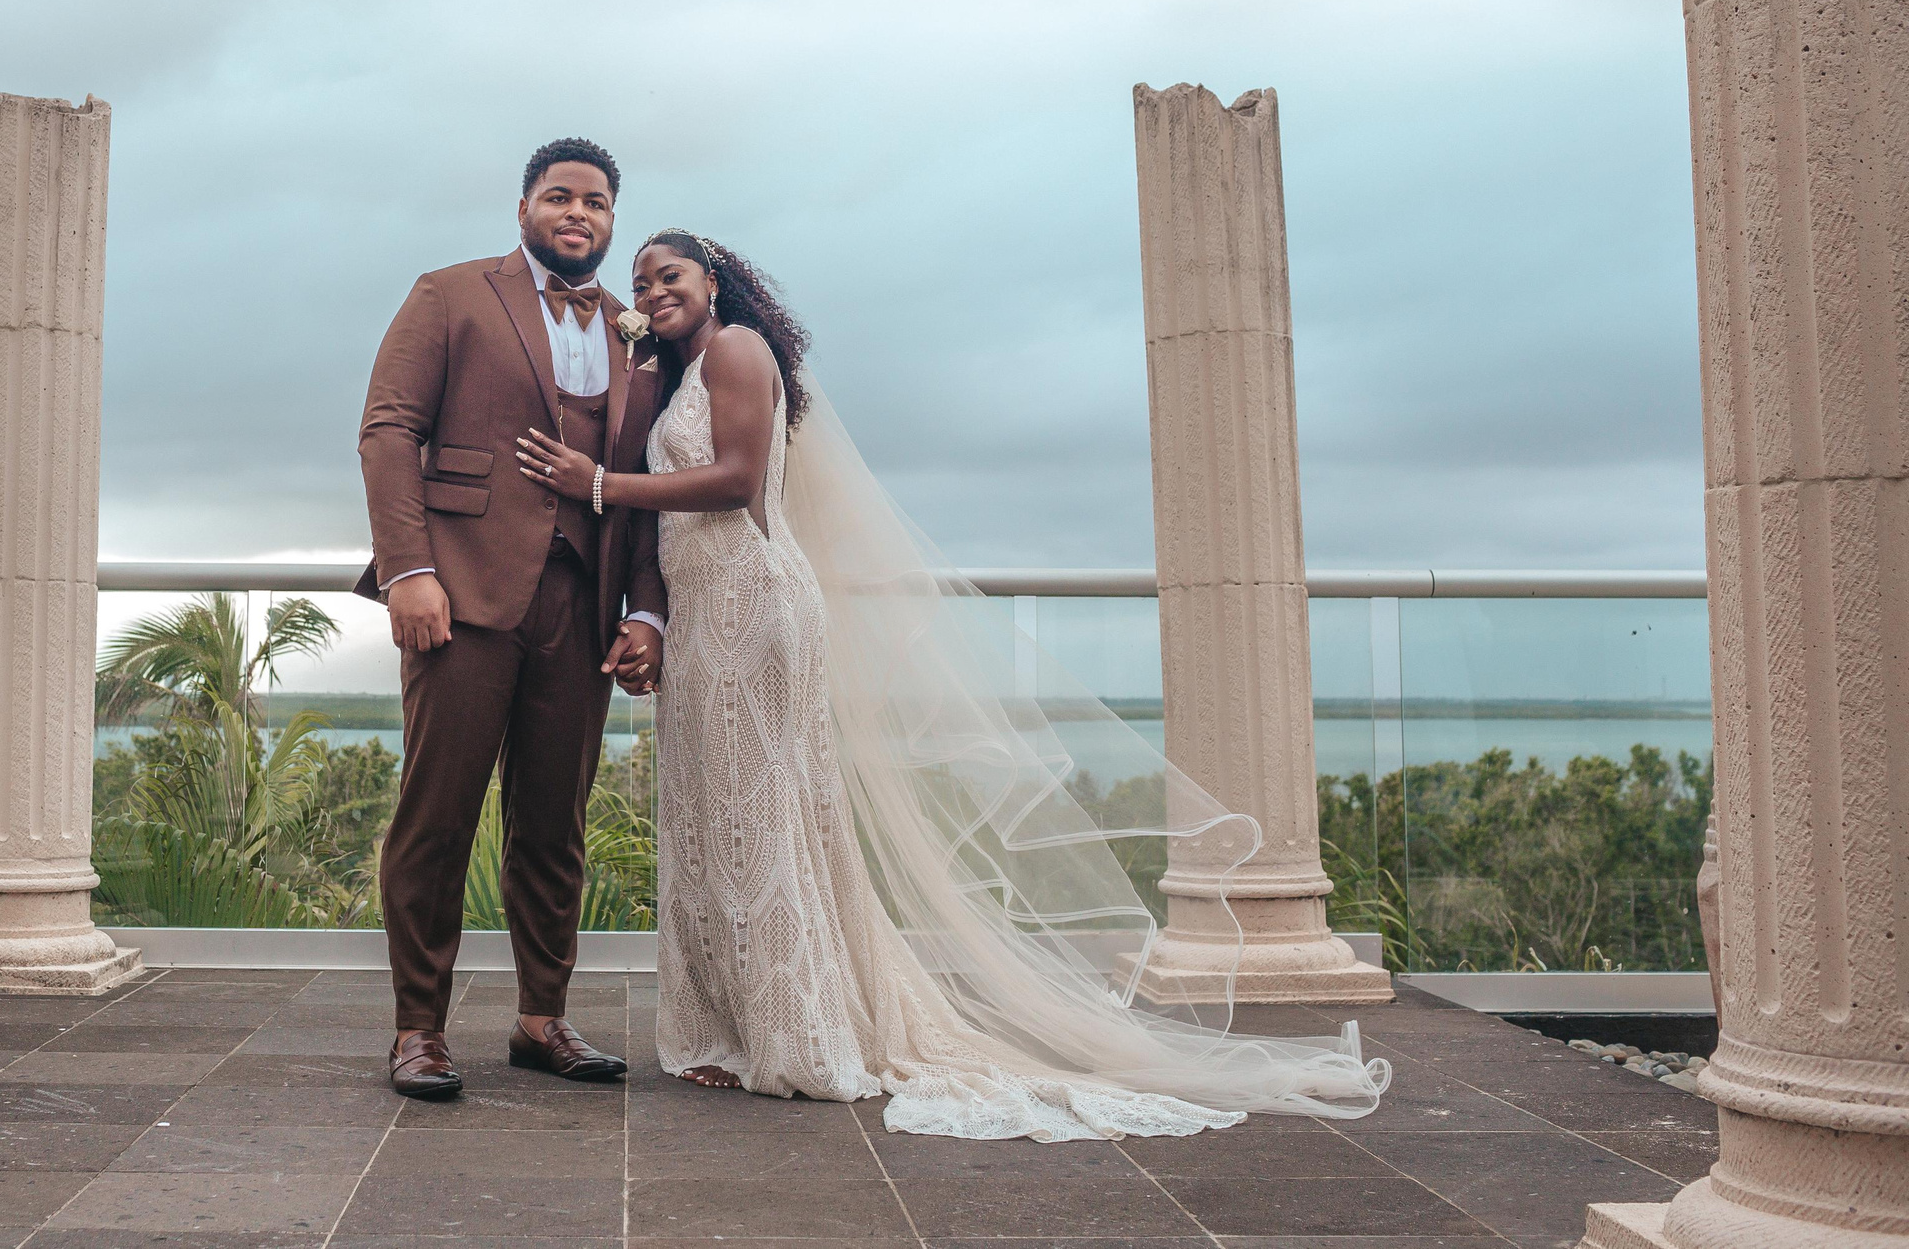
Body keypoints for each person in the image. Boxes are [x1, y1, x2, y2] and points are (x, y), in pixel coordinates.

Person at [516, 229, 1391, 1141]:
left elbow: (737, 480)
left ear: (715, 283)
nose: (655, 291)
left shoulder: (737, 349)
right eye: (643, 282)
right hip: (704, 617)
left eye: (672, 276)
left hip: (756, 606)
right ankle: (733, 1029)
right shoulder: (677, 371)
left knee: (765, 819)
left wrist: (601, 483)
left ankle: (796, 1035)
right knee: (713, 819)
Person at [354, 138, 668, 1099]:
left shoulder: (633, 329)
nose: (580, 213)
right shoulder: (451, 293)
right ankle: (418, 1028)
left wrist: (648, 610)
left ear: (612, 221)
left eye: (599, 203)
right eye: (561, 196)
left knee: (554, 822)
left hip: (582, 603)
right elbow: (389, 429)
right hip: (460, 594)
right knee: (437, 815)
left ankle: (543, 1018)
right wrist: (410, 569)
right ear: (525, 204)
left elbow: (648, 482)